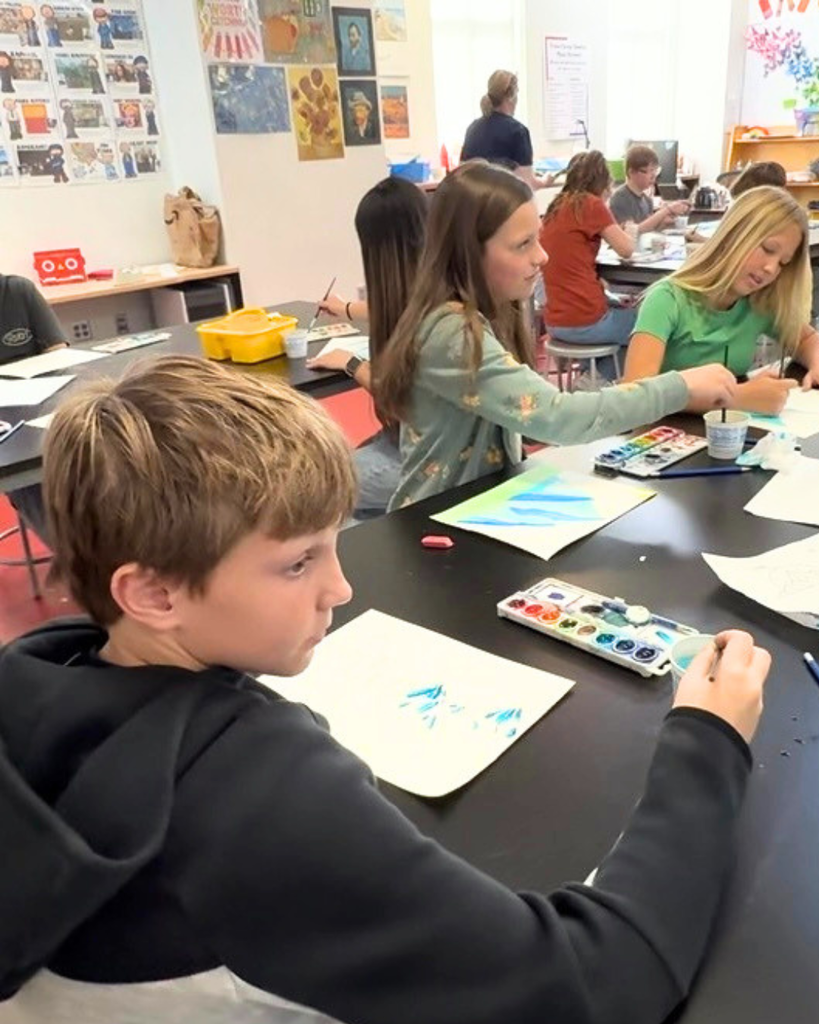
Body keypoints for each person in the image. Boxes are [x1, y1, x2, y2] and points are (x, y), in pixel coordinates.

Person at [0, 352, 770, 1024]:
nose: (339, 588)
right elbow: (593, 985)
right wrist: (708, 739)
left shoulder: (39, 677)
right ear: (152, 594)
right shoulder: (253, 794)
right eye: (297, 563)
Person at [377, 161, 736, 510]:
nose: (542, 256)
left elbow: (527, 421)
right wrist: (679, 388)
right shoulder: (451, 331)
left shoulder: (489, 314)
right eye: (523, 244)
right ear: (468, 252)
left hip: (479, 508)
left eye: (538, 238)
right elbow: (555, 417)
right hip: (433, 523)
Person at [624, 185, 819, 413]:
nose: (771, 268)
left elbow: (805, 338)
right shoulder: (667, 299)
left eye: (783, 263)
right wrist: (736, 398)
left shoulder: (758, 303)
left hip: (728, 429)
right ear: (734, 234)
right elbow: (634, 395)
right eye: (767, 249)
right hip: (665, 429)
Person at [307, 177, 429, 516]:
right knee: (333, 469)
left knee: (317, 490)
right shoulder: (433, 290)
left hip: (424, 457)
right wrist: (346, 308)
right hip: (413, 444)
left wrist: (351, 363)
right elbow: (396, 302)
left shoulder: (430, 317)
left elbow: (407, 400)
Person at [538, 149, 640, 381]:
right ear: (603, 181)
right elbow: (626, 249)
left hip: (555, 320)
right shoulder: (591, 204)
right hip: (584, 320)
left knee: (619, 309)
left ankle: (589, 376)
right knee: (648, 325)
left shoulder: (556, 206)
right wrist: (628, 230)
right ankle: (594, 380)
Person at [0, 273, 68, 540]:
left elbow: (59, 354)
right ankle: (75, 551)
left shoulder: (18, 290)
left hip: (41, 408)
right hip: (8, 438)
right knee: (37, 485)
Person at [461, 70, 554, 192]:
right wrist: (546, 180)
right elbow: (528, 185)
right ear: (511, 97)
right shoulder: (518, 131)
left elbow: (461, 172)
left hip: (476, 201)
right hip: (506, 201)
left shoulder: (473, 128)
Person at [609, 144, 689, 234]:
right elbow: (632, 232)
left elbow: (648, 230)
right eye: (647, 171)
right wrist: (666, 210)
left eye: (654, 170)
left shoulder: (647, 200)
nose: (653, 176)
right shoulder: (620, 198)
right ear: (631, 172)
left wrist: (664, 222)